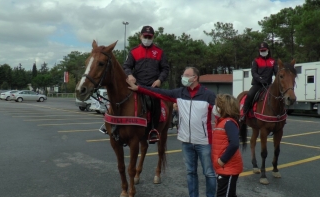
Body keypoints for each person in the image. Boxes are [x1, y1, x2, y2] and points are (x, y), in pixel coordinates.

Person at [127, 67, 216, 197]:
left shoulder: (208, 95)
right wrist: (139, 88)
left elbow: (220, 114)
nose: (183, 77)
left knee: (209, 173)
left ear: (195, 78)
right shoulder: (179, 93)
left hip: (204, 142)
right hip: (186, 142)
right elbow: (157, 92)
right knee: (191, 173)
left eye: (186, 75)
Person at [99, 25, 170, 143]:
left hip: (153, 87)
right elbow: (126, 66)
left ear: (153, 37)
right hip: (136, 85)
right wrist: (130, 75)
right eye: (145, 36)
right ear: (140, 36)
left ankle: (153, 130)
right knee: (119, 99)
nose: (147, 38)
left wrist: (159, 80)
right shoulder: (133, 51)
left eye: (149, 37)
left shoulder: (159, 52)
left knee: (154, 103)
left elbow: (165, 69)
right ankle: (110, 124)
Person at [212, 94, 243, 197]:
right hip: (224, 168)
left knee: (223, 194)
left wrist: (222, 160)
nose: (215, 108)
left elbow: (234, 143)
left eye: (218, 106)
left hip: (227, 167)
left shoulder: (228, 123)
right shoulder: (222, 122)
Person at [240, 41, 278, 122]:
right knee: (250, 95)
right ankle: (244, 114)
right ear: (259, 51)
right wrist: (260, 79)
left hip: (268, 85)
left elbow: (276, 73)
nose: (263, 52)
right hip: (258, 84)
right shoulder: (256, 61)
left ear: (268, 50)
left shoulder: (273, 61)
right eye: (261, 51)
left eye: (264, 50)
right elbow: (253, 72)